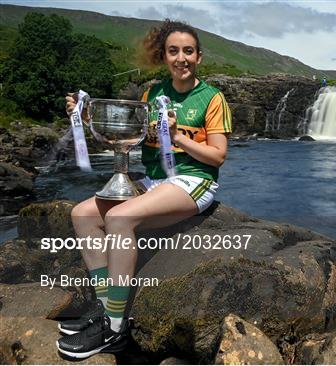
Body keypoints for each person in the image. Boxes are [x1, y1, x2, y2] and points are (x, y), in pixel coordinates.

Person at [57, 19, 232, 358]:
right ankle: (107, 304)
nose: (181, 58)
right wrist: (85, 115)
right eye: (173, 51)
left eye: (188, 51)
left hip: (193, 180)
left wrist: (178, 136)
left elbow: (218, 155)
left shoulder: (212, 97)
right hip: (154, 181)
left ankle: (115, 328)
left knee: (120, 219)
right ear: (164, 56)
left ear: (199, 57)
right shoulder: (152, 94)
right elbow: (125, 135)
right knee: (82, 215)